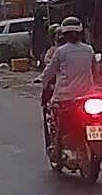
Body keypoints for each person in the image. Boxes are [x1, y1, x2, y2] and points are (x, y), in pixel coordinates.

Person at [40, 16, 96, 156]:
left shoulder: (60, 52)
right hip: (88, 95)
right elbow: (96, 70)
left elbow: (50, 70)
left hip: (65, 97)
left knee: (57, 119)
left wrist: (41, 79)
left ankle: (58, 150)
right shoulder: (89, 49)